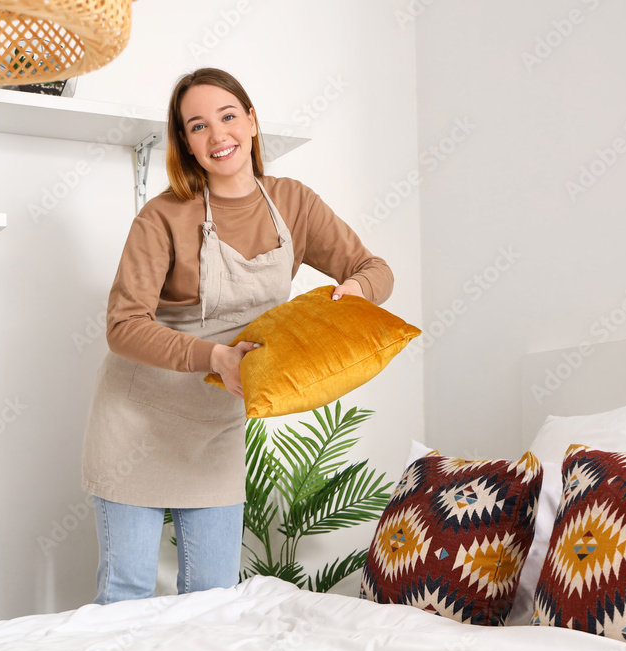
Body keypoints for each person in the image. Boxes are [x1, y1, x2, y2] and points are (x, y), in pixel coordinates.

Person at [80, 67, 394, 604]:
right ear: (186, 142)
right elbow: (123, 326)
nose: (217, 135)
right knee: (127, 593)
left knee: (213, 596)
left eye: (228, 117)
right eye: (197, 126)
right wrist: (214, 356)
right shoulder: (162, 216)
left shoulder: (293, 203)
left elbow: (374, 269)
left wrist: (357, 292)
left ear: (251, 121)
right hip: (137, 419)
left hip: (215, 426)